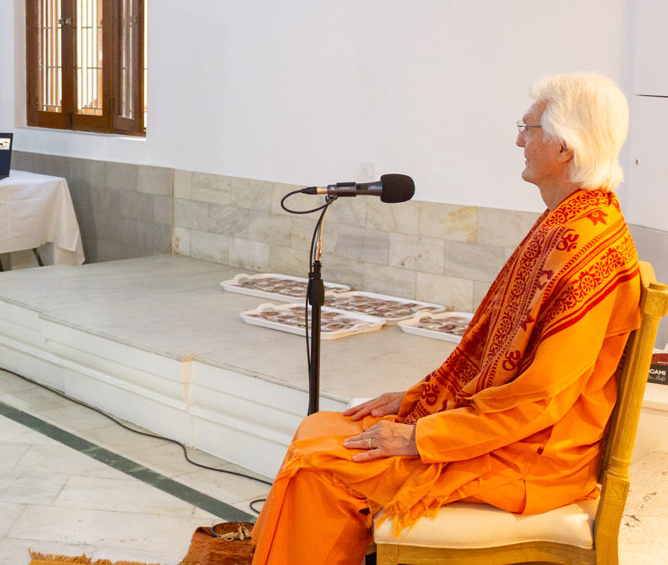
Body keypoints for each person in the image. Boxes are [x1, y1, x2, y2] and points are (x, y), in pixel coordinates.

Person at [248, 72, 640, 565]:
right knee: (319, 428)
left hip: (533, 456)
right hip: (508, 433)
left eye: (529, 128)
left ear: (564, 148)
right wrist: (420, 399)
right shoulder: (571, 221)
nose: (519, 140)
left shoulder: (586, 246)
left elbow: (541, 398)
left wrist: (421, 436)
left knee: (320, 466)